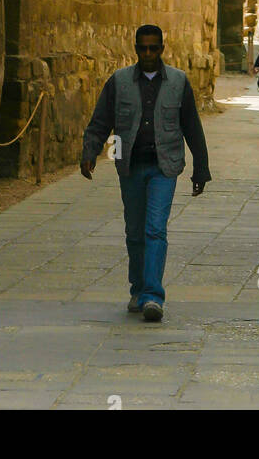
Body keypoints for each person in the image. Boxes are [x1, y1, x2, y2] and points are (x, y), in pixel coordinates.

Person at [80, 24, 210, 324]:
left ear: (162, 49)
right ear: (135, 48)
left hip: (164, 166)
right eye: (143, 48)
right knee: (135, 231)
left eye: (154, 48)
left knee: (155, 229)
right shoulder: (120, 81)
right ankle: (138, 288)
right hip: (130, 165)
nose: (148, 53)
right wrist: (90, 151)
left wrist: (201, 167)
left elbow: (191, 125)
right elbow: (102, 119)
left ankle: (153, 295)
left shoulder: (178, 81)